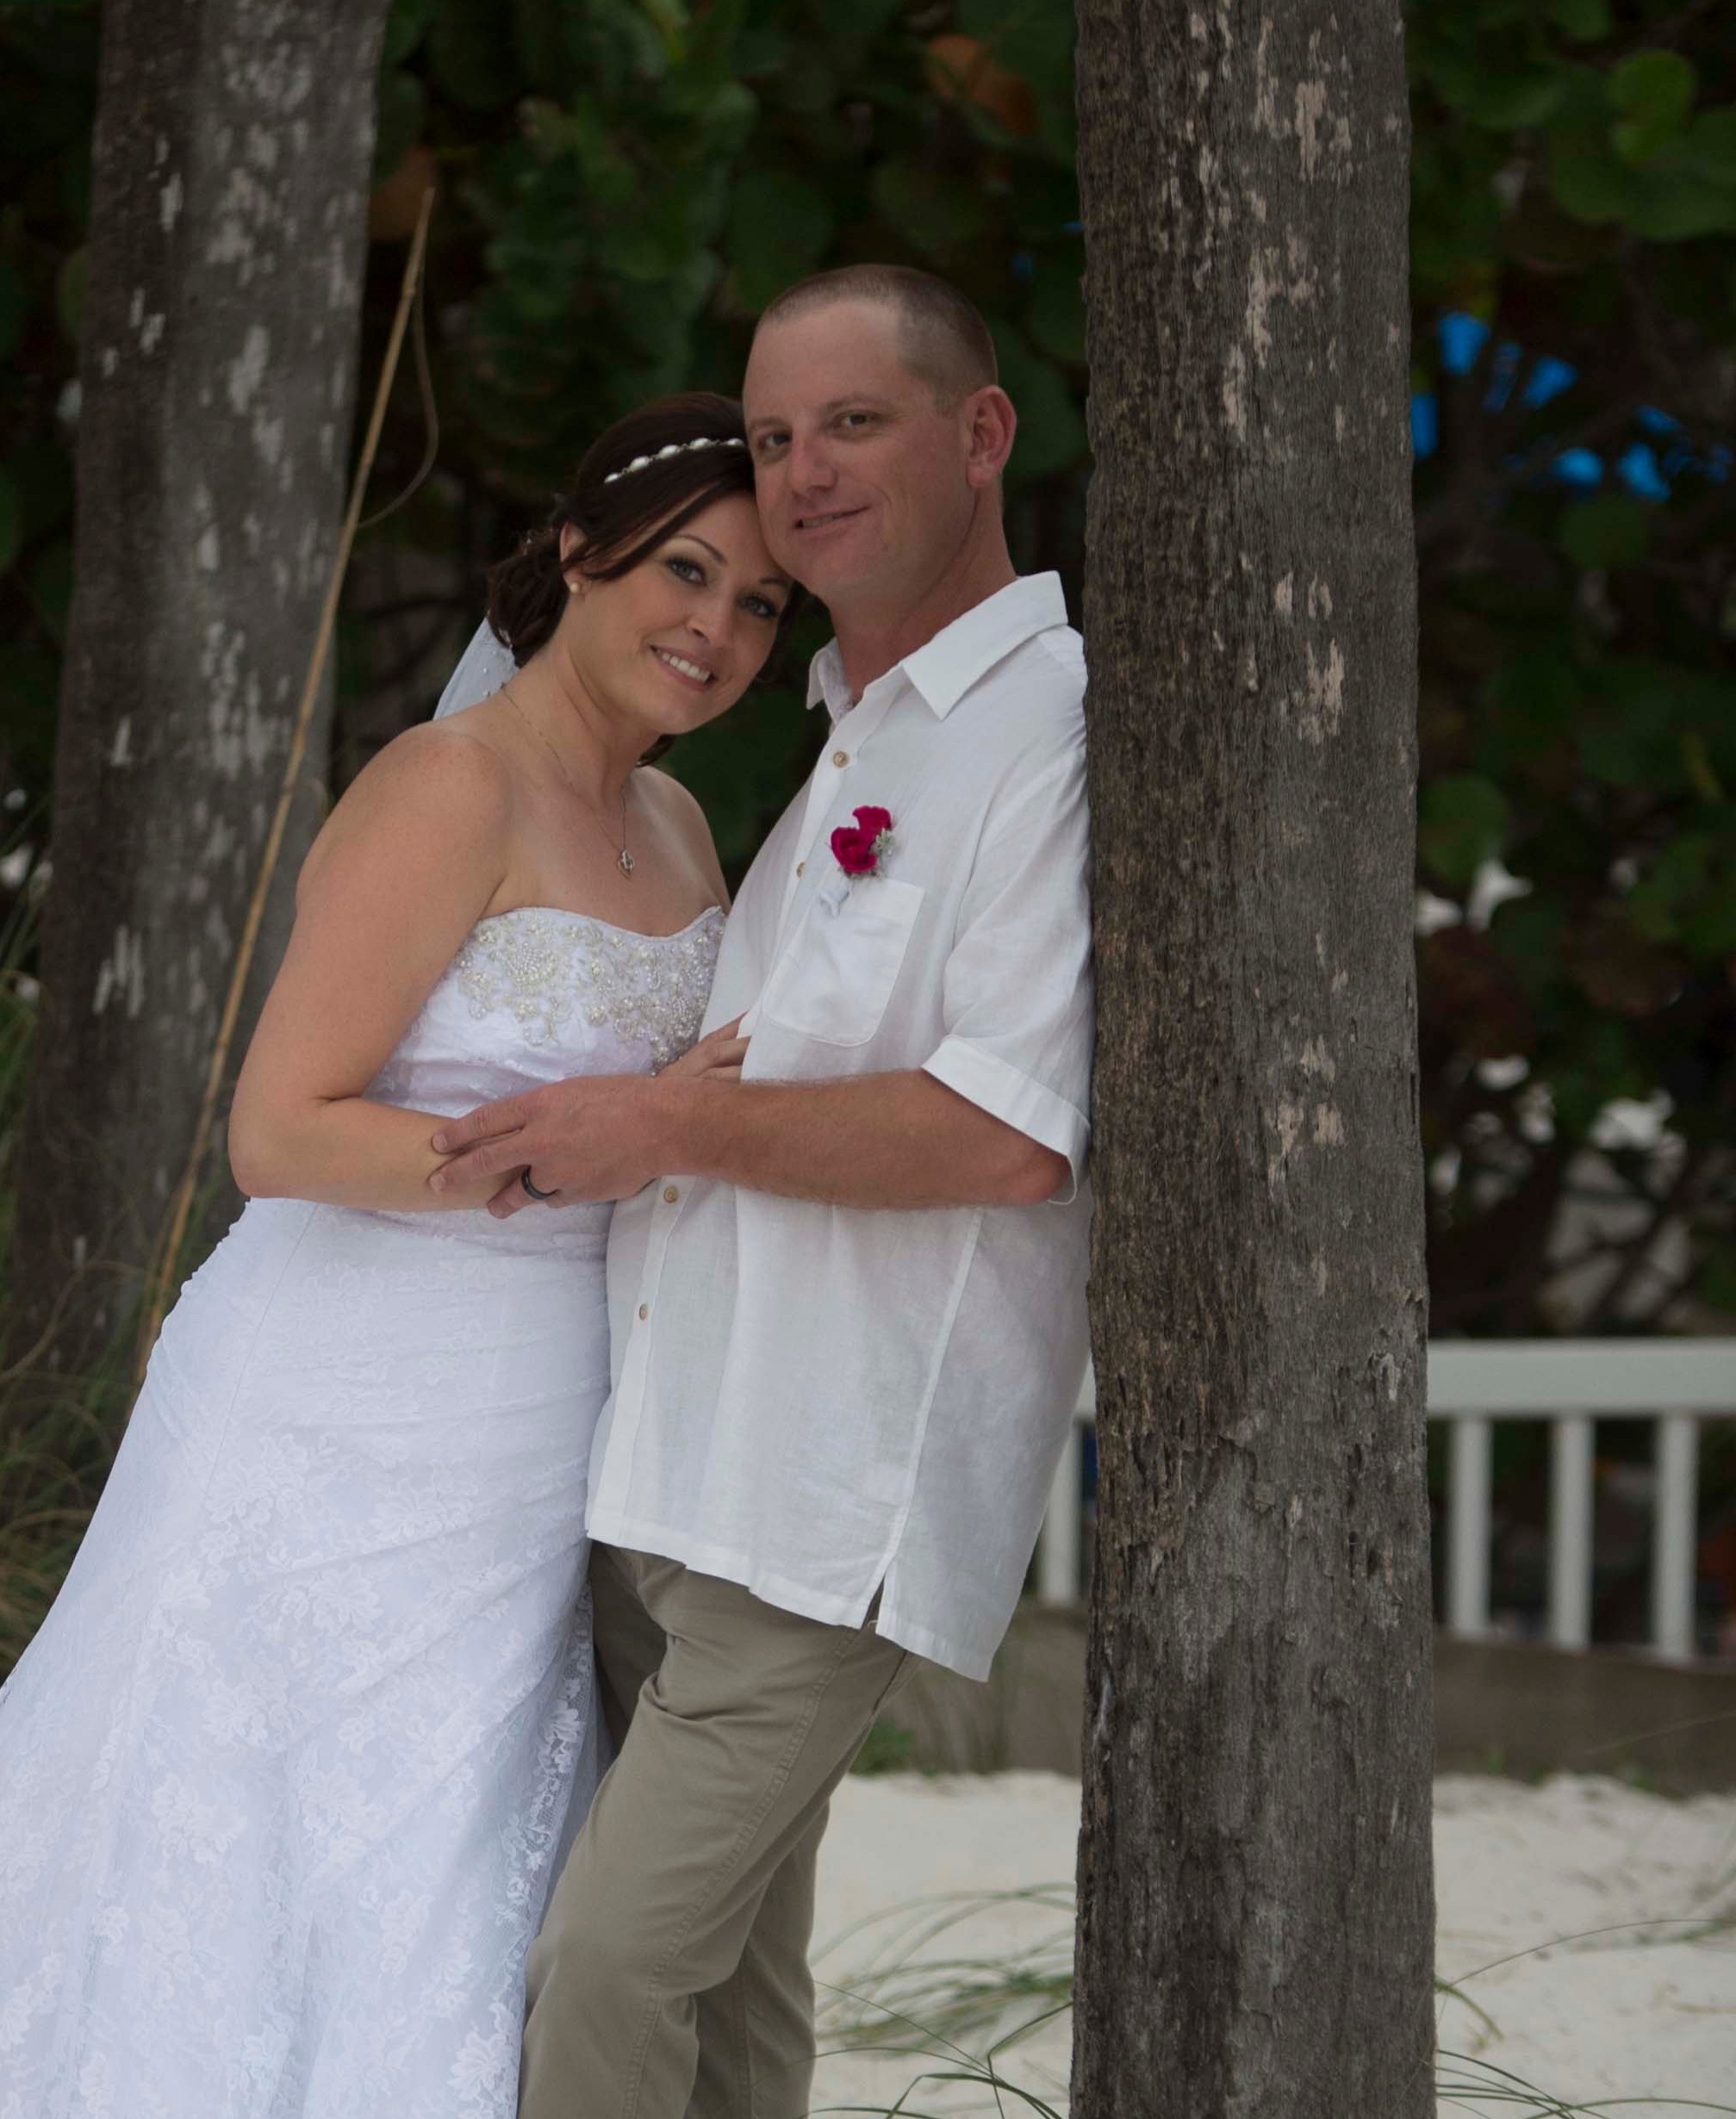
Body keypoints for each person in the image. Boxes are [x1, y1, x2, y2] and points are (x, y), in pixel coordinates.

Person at [0, 393, 792, 2119]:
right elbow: (279, 1129)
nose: (712, 630)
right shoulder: (448, 787)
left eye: (757, 603)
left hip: (536, 1443)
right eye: (681, 573)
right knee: (234, 1866)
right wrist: (557, 1141)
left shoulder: (686, 832)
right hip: (327, 1413)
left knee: (441, 1878)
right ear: (577, 555)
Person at [429, 264, 1096, 2119]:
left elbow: (1006, 1134)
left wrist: (661, 1130)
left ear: (979, 436)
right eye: (776, 433)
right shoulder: (841, 740)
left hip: (820, 1500)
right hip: (670, 1473)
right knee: (729, 2010)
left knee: (601, 1975)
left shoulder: (1044, 734)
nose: (798, 472)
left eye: (852, 422)